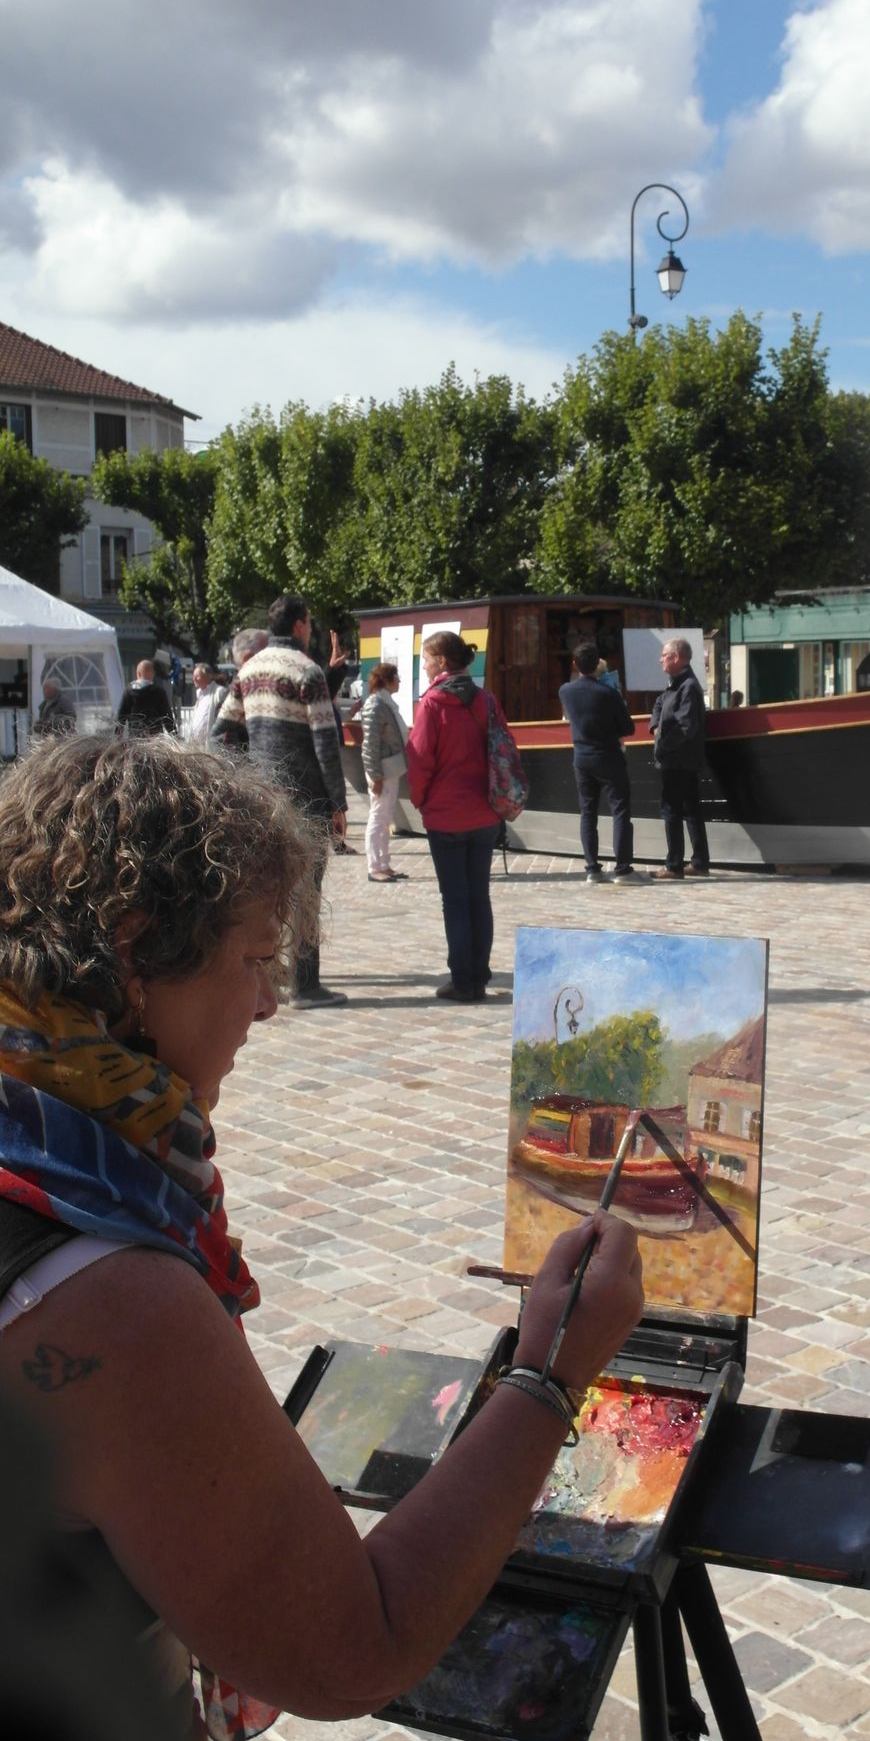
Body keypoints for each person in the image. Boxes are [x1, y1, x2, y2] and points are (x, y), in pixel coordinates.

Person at [0, 732, 643, 1739]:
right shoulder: (99, 1294)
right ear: (133, 953)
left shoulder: (46, 1143)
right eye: (254, 959)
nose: (268, 1000)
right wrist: (549, 1373)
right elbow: (354, 1647)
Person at [212, 595, 350, 1009]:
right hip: (305, 795)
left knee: (269, 887)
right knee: (307, 891)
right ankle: (306, 985)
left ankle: (268, 977)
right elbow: (326, 742)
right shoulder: (307, 671)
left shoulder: (249, 669)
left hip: (262, 795)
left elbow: (220, 733)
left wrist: (248, 771)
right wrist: (338, 804)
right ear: (300, 626)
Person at [406, 632, 506, 1002]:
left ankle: (463, 980)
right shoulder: (486, 700)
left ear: (443, 662)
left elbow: (418, 761)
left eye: (427, 658)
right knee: (479, 894)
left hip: (446, 815)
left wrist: (420, 801)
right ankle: (479, 972)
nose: (426, 665)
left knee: (456, 898)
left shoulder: (432, 704)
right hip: (484, 813)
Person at [559, 643, 649, 886]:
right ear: (598, 664)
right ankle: (622, 869)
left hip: (582, 758)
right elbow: (627, 728)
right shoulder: (608, 694)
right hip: (609, 756)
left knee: (587, 813)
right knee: (620, 811)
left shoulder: (565, 691)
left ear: (574, 665)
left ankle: (592, 869)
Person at [650, 638, 710, 880]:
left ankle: (674, 865)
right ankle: (699, 862)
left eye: (664, 655)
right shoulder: (676, 684)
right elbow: (659, 704)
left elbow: (686, 727)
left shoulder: (687, 687)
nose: (660, 659)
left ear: (676, 657)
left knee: (672, 810)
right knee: (691, 809)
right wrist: (655, 726)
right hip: (681, 759)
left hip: (678, 760)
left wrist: (662, 746)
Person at [361, 661, 408, 884]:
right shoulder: (375, 705)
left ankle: (383, 863)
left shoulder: (384, 702)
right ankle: (374, 866)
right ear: (387, 680)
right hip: (383, 769)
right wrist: (375, 775)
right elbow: (370, 745)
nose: (399, 681)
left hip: (390, 767)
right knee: (378, 817)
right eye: (396, 677)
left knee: (385, 817)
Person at [116, 661, 177, 738]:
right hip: (154, 739)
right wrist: (175, 735)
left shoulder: (128, 692)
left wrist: (118, 736)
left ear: (138, 673)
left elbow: (121, 716)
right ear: (153, 674)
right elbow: (167, 717)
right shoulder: (159, 692)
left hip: (135, 739)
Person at [185, 664, 229, 747]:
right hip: (197, 745)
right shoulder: (199, 693)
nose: (193, 679)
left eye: (197, 676)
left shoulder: (219, 691)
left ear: (208, 676)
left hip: (212, 745)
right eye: (193, 676)